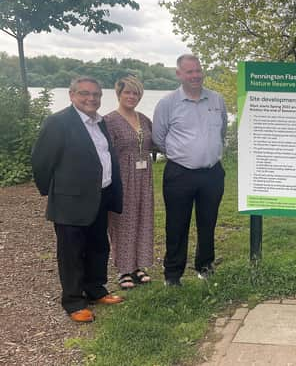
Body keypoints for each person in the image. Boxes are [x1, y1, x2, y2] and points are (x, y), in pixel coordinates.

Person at [31, 77, 124, 323]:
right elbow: (41, 162)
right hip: (69, 200)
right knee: (71, 252)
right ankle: (73, 301)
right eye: (85, 93)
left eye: (96, 94)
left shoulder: (99, 122)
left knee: (98, 246)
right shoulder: (58, 122)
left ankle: (95, 289)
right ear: (72, 95)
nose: (91, 99)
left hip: (100, 195)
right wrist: (54, 192)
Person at [153, 54, 227, 286]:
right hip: (180, 174)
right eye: (189, 72)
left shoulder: (217, 100)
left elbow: (222, 131)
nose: (195, 75)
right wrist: (182, 154)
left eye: (198, 70)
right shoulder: (167, 103)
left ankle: (205, 267)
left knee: (208, 222)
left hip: (212, 173)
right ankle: (173, 275)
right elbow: (159, 138)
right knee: (176, 225)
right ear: (179, 74)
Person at [104, 75, 154, 290]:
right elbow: (104, 153)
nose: (131, 96)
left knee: (143, 218)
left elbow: (157, 143)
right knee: (122, 221)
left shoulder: (143, 119)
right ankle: (123, 270)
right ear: (119, 94)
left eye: (136, 93)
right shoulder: (109, 120)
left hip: (144, 178)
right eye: (127, 92)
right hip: (122, 177)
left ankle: (138, 266)